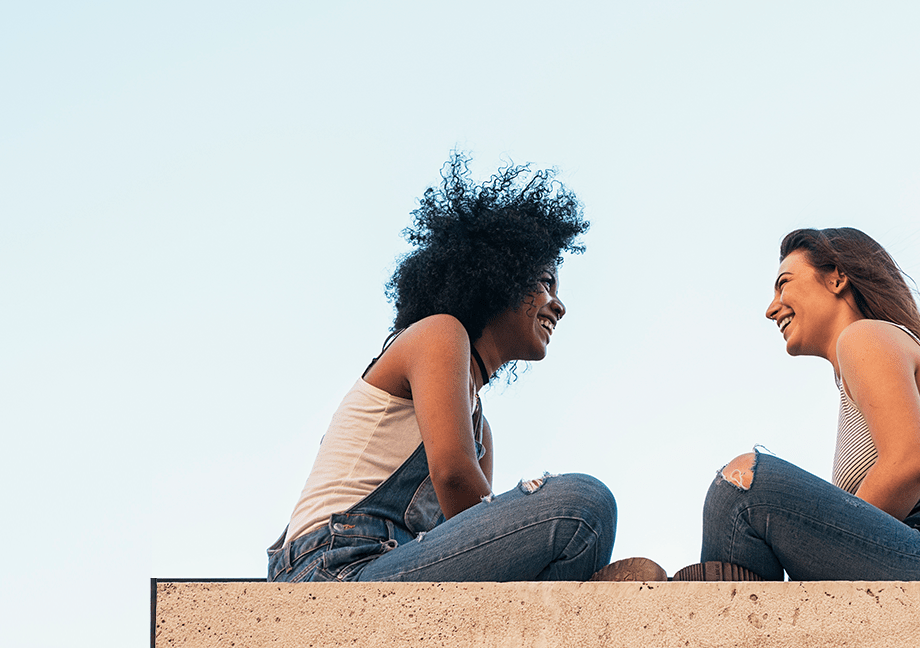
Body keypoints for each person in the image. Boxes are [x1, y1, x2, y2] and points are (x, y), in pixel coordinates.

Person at [266, 153, 656, 583]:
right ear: (499, 276)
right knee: (583, 506)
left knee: (576, 525)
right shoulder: (439, 334)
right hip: (332, 568)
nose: (559, 306)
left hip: (385, 568)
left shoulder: (479, 429)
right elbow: (453, 477)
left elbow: (466, 532)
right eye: (546, 283)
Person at [680, 228, 920, 581]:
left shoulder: (864, 337)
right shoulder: (863, 358)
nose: (771, 309)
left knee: (741, 488)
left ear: (836, 278)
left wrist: (816, 565)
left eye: (783, 283)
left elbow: (908, 464)